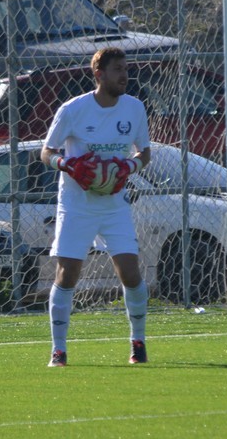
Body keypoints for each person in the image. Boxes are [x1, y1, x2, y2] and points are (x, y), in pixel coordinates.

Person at [40, 47, 152, 367]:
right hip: (76, 204)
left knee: (130, 272)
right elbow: (46, 152)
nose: (124, 75)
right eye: (118, 69)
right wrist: (67, 164)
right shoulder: (73, 109)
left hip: (114, 204)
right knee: (68, 274)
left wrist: (128, 167)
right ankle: (59, 350)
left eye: (126, 69)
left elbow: (144, 153)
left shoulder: (134, 108)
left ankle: (138, 342)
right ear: (99, 74)